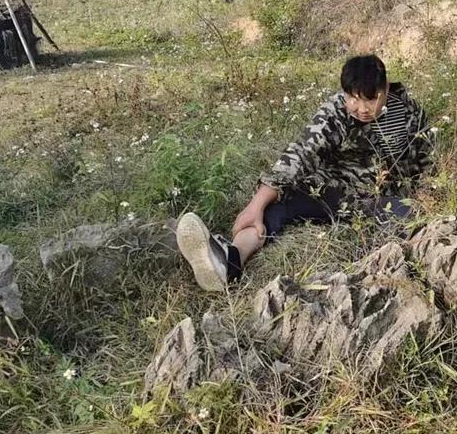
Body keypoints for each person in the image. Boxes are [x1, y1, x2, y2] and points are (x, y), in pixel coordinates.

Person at [176, 54, 434, 291]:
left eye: (369, 98)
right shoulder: (336, 111)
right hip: (333, 190)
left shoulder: (410, 114)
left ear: (385, 88)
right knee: (273, 206)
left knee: (418, 221)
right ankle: (229, 261)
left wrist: (426, 193)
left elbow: (425, 161)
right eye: (353, 98)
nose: (361, 108)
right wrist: (255, 204)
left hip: (382, 200)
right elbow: (300, 154)